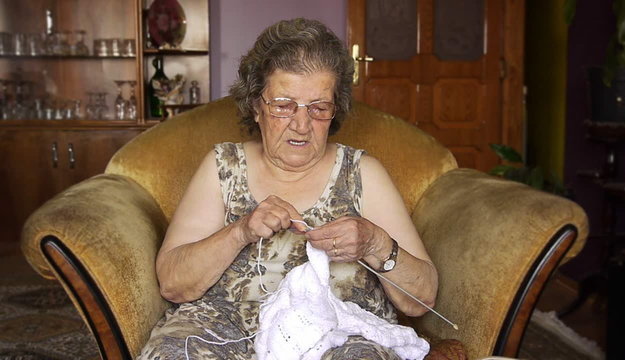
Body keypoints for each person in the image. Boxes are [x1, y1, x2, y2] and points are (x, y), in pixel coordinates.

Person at [138, 18, 438, 360]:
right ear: (255, 105)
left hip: (338, 335)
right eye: (283, 105)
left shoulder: (362, 173)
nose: (301, 124)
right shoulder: (224, 166)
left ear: (334, 110)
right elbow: (173, 283)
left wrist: (374, 242)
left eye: (318, 108)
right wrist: (241, 230)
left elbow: (422, 298)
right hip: (220, 330)